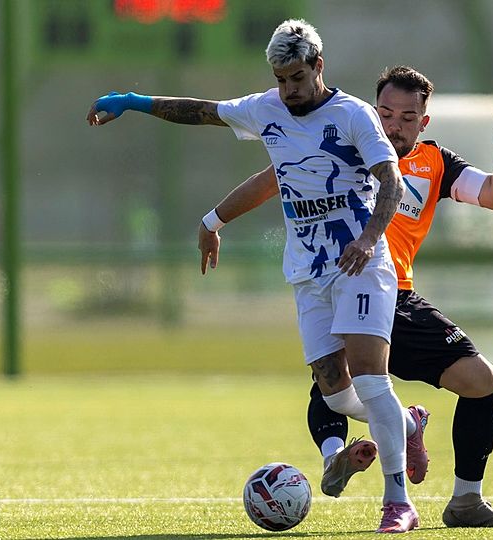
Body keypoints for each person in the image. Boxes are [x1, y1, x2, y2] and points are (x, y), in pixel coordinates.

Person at [87, 20, 422, 533]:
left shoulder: (354, 115)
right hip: (307, 271)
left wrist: (368, 238)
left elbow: (392, 181)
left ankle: (398, 502)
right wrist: (132, 102)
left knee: (371, 377)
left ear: (318, 67)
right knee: (335, 393)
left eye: (297, 78)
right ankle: (407, 423)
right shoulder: (266, 109)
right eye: (280, 79)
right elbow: (201, 111)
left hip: (359, 263)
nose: (288, 89)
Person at [197, 65, 493, 528]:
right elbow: (273, 178)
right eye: (386, 114)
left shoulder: (435, 163)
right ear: (374, 112)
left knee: (483, 383)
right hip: (340, 283)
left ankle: (464, 500)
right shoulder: (347, 142)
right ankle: (356, 462)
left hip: (399, 297)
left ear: (423, 123)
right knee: (339, 382)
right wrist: (214, 219)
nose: (394, 126)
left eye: (407, 118)